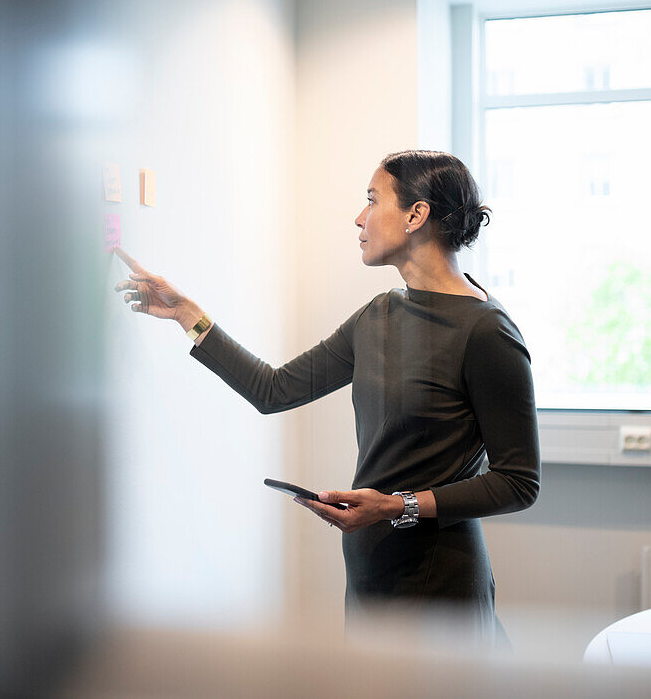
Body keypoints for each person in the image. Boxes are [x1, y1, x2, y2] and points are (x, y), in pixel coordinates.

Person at [113, 150, 540, 646]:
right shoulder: (377, 315)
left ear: (415, 215)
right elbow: (273, 390)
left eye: (371, 199)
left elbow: (517, 481)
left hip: (438, 584)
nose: (359, 218)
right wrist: (188, 314)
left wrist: (394, 507)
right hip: (370, 571)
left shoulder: (487, 331)